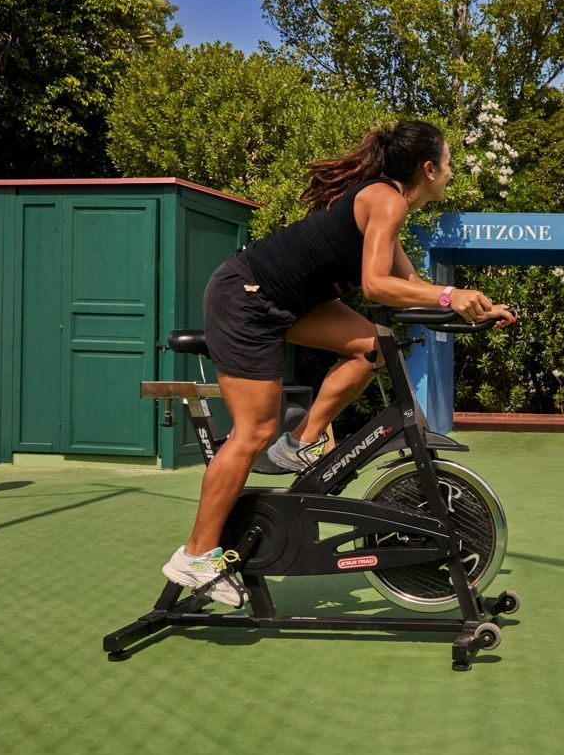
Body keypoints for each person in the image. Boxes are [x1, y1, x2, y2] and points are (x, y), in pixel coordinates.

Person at [161, 120, 512, 607]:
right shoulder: (385, 199)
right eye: (449, 164)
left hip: (285, 301)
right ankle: (195, 554)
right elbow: (376, 285)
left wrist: (477, 308)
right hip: (246, 297)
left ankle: (300, 442)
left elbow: (413, 288)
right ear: (428, 169)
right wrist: (453, 295)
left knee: (370, 348)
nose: (452, 173)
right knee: (252, 432)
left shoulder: (391, 210)